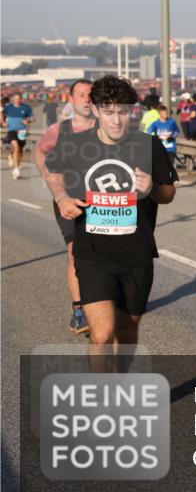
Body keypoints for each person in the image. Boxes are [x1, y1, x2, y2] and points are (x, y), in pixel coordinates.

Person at [44, 75, 178, 372]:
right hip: (93, 254)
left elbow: (169, 193)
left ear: (132, 111)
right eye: (109, 112)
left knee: (127, 333)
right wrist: (62, 196)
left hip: (136, 254)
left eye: (123, 111)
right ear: (95, 110)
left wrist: (152, 189)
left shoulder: (149, 145)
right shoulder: (75, 145)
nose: (116, 120)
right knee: (102, 335)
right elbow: (52, 171)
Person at [33, 79, 96, 335]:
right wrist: (51, 182)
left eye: (91, 95)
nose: (87, 99)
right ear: (71, 100)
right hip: (69, 200)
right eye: (81, 95)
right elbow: (40, 152)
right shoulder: (60, 130)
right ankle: (79, 310)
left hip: (101, 201)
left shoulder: (110, 128)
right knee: (75, 252)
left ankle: (103, 301)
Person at [3, 92, 33, 180]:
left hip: (22, 131)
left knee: (20, 150)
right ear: (12, 99)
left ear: (21, 99)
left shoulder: (26, 107)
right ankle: (16, 169)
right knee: (15, 148)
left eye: (18, 99)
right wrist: (3, 123)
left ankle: (17, 163)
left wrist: (28, 121)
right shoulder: (8, 107)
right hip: (11, 130)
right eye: (15, 99)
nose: (17, 100)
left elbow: (33, 118)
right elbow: (1, 114)